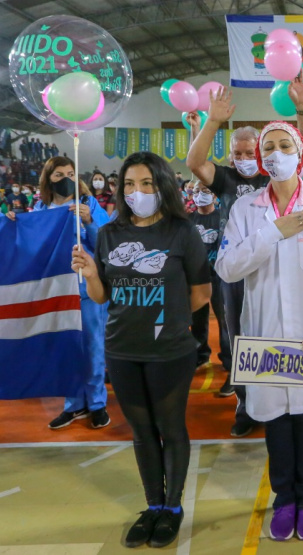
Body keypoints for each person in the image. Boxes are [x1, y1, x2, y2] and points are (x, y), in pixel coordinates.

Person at [216, 121, 303, 541]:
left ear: (300, 153)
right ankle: (285, 500)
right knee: (276, 422)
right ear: (261, 159)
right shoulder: (247, 210)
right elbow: (227, 267)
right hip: (265, 336)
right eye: (269, 148)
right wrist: (274, 231)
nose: (277, 154)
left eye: (285, 145)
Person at [71, 151, 212, 548]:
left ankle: (172, 507)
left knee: (170, 427)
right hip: (121, 349)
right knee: (141, 431)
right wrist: (92, 273)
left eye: (147, 183)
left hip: (170, 350)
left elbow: (201, 294)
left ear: (163, 186)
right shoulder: (108, 234)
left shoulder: (182, 233)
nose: (138, 191)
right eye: (130, 184)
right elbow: (102, 298)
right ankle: (152, 505)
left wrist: (166, 311)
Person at [187, 77, 303, 435]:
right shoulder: (225, 179)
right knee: (240, 337)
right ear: (231, 156)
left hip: (281, 267)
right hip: (238, 269)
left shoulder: (275, 173)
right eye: (238, 153)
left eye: (249, 152)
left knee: (286, 331)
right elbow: (195, 161)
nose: (244, 159)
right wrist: (212, 121)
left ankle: (290, 397)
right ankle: (247, 403)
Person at [22, 157, 112, 430]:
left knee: (92, 347)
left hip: (85, 289)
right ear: (48, 178)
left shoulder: (89, 204)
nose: (66, 179)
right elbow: (31, 244)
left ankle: (97, 403)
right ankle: (73, 405)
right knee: (66, 349)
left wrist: (90, 223)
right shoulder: (40, 208)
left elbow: (105, 246)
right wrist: (16, 222)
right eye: (59, 175)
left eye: (71, 173)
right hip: (55, 292)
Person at [189, 182, 232, 377]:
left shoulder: (224, 218)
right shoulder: (187, 220)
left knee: (224, 321)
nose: (200, 195)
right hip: (196, 279)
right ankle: (200, 354)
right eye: (197, 191)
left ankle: (229, 361)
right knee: (197, 320)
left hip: (219, 278)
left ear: (215, 196)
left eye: (206, 191)